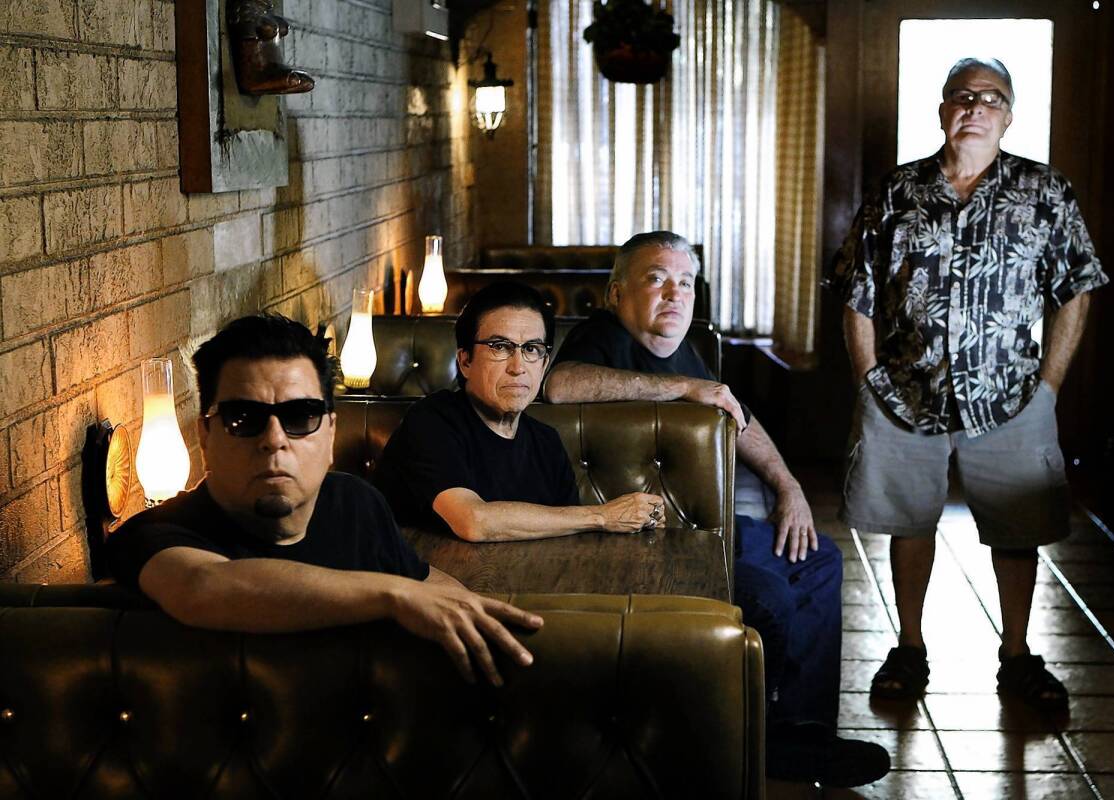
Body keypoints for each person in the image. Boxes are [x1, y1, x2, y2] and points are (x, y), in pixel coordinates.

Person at [543, 232, 889, 789]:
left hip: (698, 533)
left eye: (685, 282)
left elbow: (735, 413)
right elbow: (559, 386)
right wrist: (683, 388)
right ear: (615, 294)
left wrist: (787, 485)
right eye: (656, 279)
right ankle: (758, 737)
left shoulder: (683, 346)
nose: (674, 294)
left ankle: (802, 729)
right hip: (631, 546)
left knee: (818, 557)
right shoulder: (598, 338)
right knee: (769, 597)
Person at [832, 58, 1108, 711]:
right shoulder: (897, 190)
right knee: (909, 521)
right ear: (943, 110)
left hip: (1012, 396)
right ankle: (909, 647)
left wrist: (1049, 387)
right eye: (962, 96)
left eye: (991, 98)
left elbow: (1077, 291)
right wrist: (869, 378)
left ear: (1009, 115)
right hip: (904, 389)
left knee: (1018, 529)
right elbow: (857, 294)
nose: (975, 107)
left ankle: (1017, 654)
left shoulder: (1045, 191)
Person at [105, 314, 542, 688]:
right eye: (243, 419)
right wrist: (394, 594)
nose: (274, 441)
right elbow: (203, 589)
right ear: (204, 436)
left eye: (300, 417)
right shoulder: (154, 533)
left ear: (330, 434)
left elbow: (427, 587)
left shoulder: (354, 502)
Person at [379, 280, 667, 540]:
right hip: (430, 590)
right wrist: (602, 516)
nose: (518, 368)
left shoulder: (547, 443)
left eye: (531, 349)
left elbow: (567, 538)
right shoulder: (431, 421)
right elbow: (473, 521)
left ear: (543, 365)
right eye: (500, 346)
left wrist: (642, 517)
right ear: (465, 361)